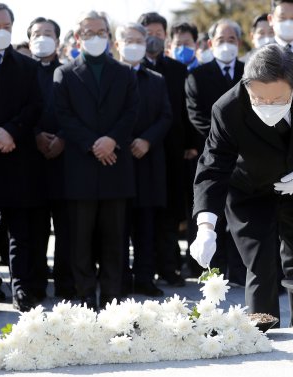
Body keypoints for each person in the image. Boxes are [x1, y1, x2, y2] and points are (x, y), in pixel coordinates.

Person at [190, 44, 293, 325]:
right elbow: (213, 166)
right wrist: (206, 227)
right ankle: (263, 332)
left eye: (277, 100)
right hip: (249, 188)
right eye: (258, 100)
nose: (268, 107)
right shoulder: (227, 109)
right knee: (260, 264)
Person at [53, 10, 139, 311]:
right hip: (81, 166)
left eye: (101, 32)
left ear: (109, 35)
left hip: (116, 165)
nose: (95, 37)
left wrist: (111, 140)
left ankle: (113, 295)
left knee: (115, 238)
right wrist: (93, 143)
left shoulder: (125, 73)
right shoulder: (64, 73)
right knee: (80, 238)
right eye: (88, 33)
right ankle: (86, 293)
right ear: (78, 38)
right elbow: (64, 115)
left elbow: (131, 113)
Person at [0, 2, 44, 312]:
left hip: (17, 157)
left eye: (5, 27)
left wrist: (11, 131)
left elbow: (35, 105)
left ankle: (20, 288)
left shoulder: (27, 67)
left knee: (18, 232)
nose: (0, 33)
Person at [185, 19, 246, 283]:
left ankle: (242, 272)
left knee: (242, 215)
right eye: (221, 40)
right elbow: (197, 116)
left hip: (247, 157)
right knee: (210, 212)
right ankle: (211, 273)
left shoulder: (250, 72)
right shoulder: (197, 75)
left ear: (240, 43)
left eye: (231, 39)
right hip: (212, 155)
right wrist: (225, 139)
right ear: (210, 43)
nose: (226, 44)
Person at [114, 23, 172, 296]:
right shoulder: (110, 77)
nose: (134, 45)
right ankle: (121, 278)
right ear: (117, 44)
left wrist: (147, 139)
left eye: (139, 40)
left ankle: (145, 277)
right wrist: (125, 142)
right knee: (118, 226)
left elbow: (166, 116)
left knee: (147, 225)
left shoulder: (156, 79)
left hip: (149, 161)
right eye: (129, 40)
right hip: (117, 160)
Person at [138, 12, 193, 286]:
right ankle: (142, 269)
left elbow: (186, 112)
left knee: (171, 215)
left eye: (160, 34)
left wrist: (191, 145)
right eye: (149, 32)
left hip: (172, 153)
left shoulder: (177, 70)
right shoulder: (128, 67)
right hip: (138, 152)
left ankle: (169, 267)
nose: (154, 38)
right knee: (142, 216)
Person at [28, 16, 75, 300]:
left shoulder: (69, 72)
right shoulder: (21, 71)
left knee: (67, 229)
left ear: (58, 41)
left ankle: (66, 285)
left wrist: (63, 138)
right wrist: (35, 134)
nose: (42, 38)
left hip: (65, 161)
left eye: (48, 34)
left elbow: (78, 112)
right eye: (37, 33)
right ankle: (33, 286)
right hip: (28, 161)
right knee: (33, 228)